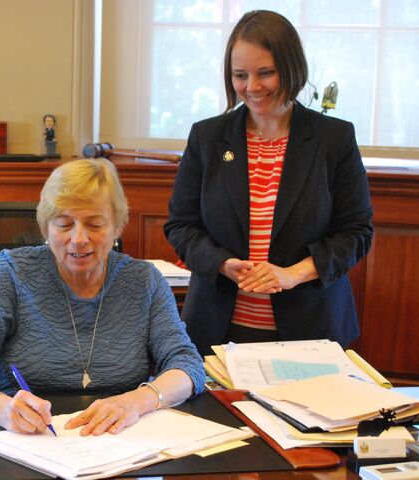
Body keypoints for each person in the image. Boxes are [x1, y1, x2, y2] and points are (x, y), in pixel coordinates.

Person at [0, 158, 205, 436]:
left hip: (118, 441)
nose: (78, 239)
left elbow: (187, 365)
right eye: (64, 224)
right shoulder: (13, 273)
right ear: (45, 228)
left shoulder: (143, 280)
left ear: (117, 227)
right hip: (22, 440)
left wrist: (135, 401)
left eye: (95, 225)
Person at [164, 10, 373, 355]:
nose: (252, 87)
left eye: (266, 73)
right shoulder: (207, 137)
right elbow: (180, 225)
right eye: (240, 75)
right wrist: (222, 263)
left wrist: (293, 274)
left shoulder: (333, 138)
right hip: (216, 328)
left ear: (292, 69)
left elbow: (356, 232)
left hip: (310, 329)